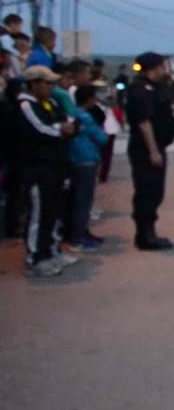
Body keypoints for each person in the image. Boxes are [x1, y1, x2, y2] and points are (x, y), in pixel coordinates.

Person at [15, 66, 77, 276]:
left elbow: (69, 121)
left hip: (57, 166)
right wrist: (61, 129)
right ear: (34, 84)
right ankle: (36, 257)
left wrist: (66, 128)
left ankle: (51, 249)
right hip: (37, 168)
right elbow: (41, 129)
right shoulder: (25, 105)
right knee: (38, 214)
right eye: (47, 83)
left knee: (54, 211)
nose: (51, 87)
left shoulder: (50, 103)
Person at [125, 52, 174, 251]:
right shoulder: (141, 90)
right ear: (153, 68)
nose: (164, 70)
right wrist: (153, 150)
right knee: (147, 191)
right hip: (145, 149)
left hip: (156, 146)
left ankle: (149, 232)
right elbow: (144, 122)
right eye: (162, 66)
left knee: (155, 191)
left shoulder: (154, 87)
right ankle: (145, 235)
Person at [65, 86, 109, 253]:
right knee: (83, 201)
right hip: (86, 159)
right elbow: (102, 138)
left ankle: (79, 233)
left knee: (75, 200)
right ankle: (78, 238)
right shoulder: (86, 118)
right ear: (90, 99)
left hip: (73, 159)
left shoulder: (71, 114)